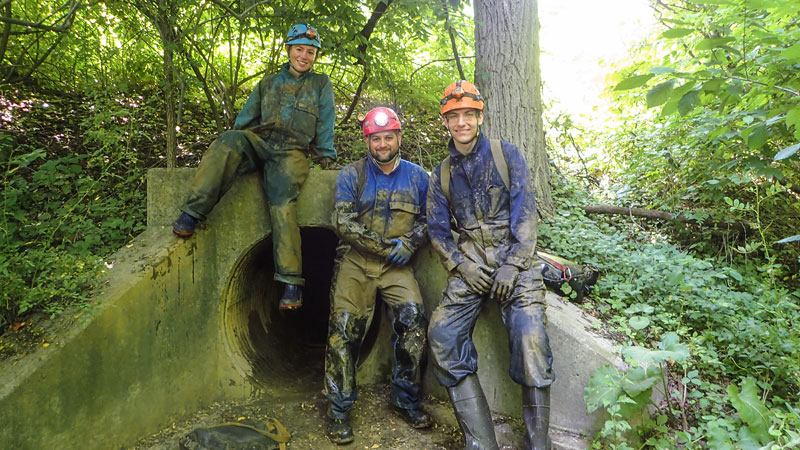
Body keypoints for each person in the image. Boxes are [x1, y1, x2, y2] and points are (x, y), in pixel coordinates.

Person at [426, 80, 555, 450]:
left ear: (480, 117)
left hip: (518, 265)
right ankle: (481, 442)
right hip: (471, 268)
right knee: (443, 334)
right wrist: (461, 266)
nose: (461, 122)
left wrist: (514, 265)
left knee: (531, 339)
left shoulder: (507, 155)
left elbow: (526, 215)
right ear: (446, 121)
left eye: (468, 114)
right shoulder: (441, 174)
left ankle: (538, 443)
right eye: (454, 116)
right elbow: (437, 230)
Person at [170, 24, 335, 311]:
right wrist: (239, 149)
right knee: (228, 141)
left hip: (292, 152)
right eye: (299, 49)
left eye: (310, 52)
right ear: (289, 50)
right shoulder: (268, 83)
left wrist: (326, 159)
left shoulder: (321, 85)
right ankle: (192, 213)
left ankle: (291, 283)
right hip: (260, 143)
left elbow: (325, 125)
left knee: (282, 197)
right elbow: (244, 121)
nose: (304, 56)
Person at [323, 107, 432, 444]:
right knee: (344, 330)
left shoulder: (418, 177)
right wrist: (389, 247)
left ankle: (405, 400)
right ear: (367, 141)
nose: (382, 144)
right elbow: (342, 223)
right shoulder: (351, 175)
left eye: (388, 137)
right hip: (357, 262)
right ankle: (338, 411)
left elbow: (432, 219)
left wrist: (413, 241)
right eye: (376, 139)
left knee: (413, 323)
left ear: (399, 138)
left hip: (397, 268)